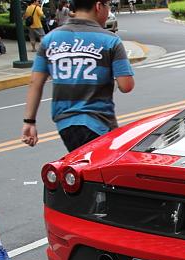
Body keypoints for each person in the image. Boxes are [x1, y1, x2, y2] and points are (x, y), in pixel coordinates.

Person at [21, 0, 135, 153]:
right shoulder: (110, 40)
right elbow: (126, 85)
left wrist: (29, 122)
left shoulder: (50, 39)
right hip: (99, 123)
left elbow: (35, 82)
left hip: (65, 124)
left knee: (84, 167)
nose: (108, 11)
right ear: (98, 6)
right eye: (108, 6)